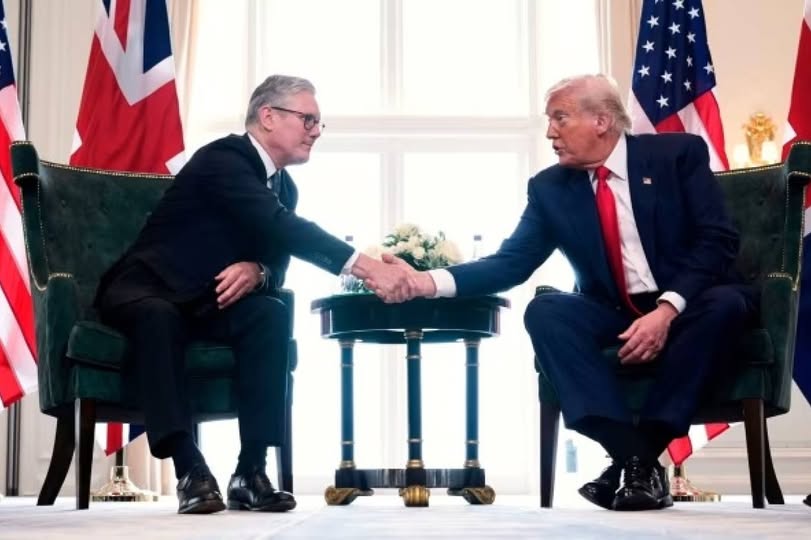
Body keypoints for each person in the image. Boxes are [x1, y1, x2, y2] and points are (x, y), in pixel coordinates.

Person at [375, 74, 758, 511]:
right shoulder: (549, 189)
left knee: (726, 304)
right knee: (546, 311)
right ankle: (635, 459)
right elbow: (510, 263)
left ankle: (631, 464)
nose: (550, 132)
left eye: (560, 118)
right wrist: (424, 281)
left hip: (689, 303)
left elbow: (716, 240)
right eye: (549, 120)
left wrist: (667, 309)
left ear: (601, 121)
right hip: (613, 310)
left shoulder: (676, 154)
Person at [95, 74, 412, 514]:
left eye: (318, 123)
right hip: (148, 288)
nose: (316, 131)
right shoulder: (224, 159)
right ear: (268, 116)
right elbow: (282, 227)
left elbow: (277, 261)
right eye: (307, 119)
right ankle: (189, 469)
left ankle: (250, 471)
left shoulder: (285, 186)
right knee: (158, 316)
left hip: (205, 301)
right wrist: (366, 266)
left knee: (269, 312)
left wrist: (258, 270)